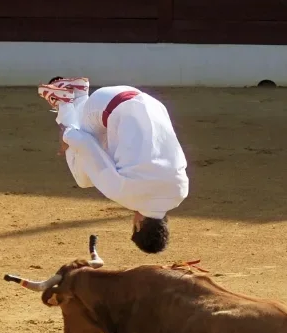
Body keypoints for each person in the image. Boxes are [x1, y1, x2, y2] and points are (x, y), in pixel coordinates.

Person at [38, 76, 189, 253]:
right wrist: (67, 136)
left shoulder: (181, 192)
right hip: (106, 104)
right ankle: (64, 101)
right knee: (83, 179)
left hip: (148, 102)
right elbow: (86, 145)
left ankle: (78, 93)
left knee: (115, 153)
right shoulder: (125, 194)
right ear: (138, 226)